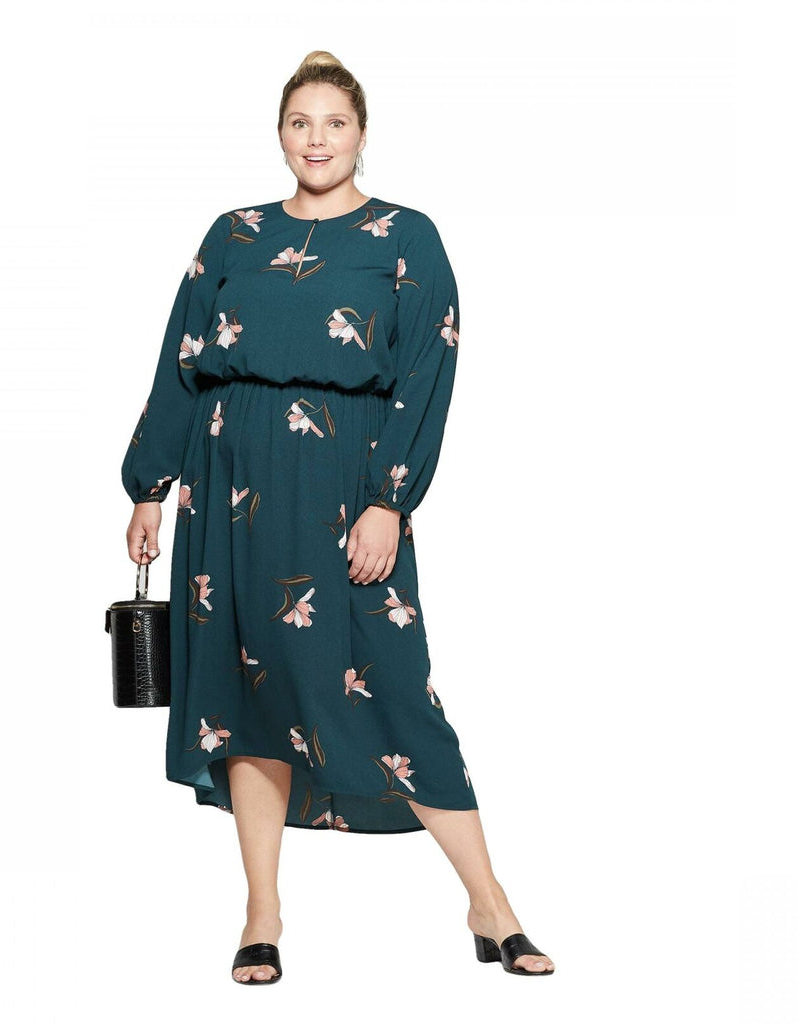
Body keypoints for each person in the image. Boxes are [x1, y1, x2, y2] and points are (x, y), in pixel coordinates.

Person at [120, 50, 554, 984]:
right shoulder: (233, 234)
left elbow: (427, 371)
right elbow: (182, 361)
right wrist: (149, 486)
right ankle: (262, 913)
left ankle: (490, 903)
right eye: (300, 123)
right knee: (247, 696)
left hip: (344, 492)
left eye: (335, 123)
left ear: (361, 133)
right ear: (280, 134)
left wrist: (390, 500)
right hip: (228, 488)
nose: (316, 140)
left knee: (397, 689)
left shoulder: (406, 237)